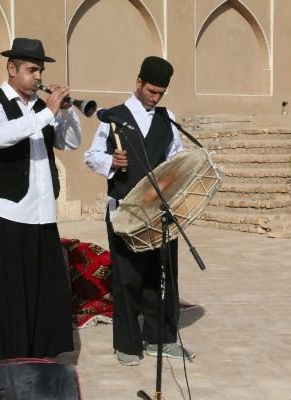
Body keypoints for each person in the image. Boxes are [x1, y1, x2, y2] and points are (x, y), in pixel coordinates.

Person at [84, 56, 195, 366]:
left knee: (162, 278)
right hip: (124, 211)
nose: (155, 97)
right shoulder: (113, 116)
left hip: (160, 213)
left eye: (160, 93)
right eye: (150, 91)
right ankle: (128, 345)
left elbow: (176, 158)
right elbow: (91, 156)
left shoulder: (167, 118)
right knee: (128, 279)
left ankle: (163, 340)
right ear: (138, 83)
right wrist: (111, 163)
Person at [0, 37, 81, 361]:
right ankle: (11, 368)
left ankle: (40, 363)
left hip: (40, 216)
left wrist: (66, 112)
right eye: (32, 70)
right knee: (10, 298)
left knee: (44, 295)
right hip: (4, 215)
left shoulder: (41, 109)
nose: (38, 77)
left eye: (40, 71)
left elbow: (71, 142)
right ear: (12, 68)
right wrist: (46, 113)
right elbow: (0, 136)